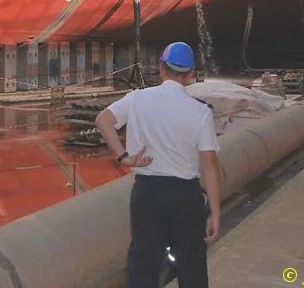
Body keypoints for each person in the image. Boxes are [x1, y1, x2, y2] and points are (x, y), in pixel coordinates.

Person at [95, 42, 222, 288]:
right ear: (191, 75)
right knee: (192, 265)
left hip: (147, 193)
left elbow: (103, 120)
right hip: (186, 196)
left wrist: (124, 157)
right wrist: (215, 212)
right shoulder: (200, 111)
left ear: (161, 68)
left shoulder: (137, 99)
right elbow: (210, 165)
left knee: (143, 264)